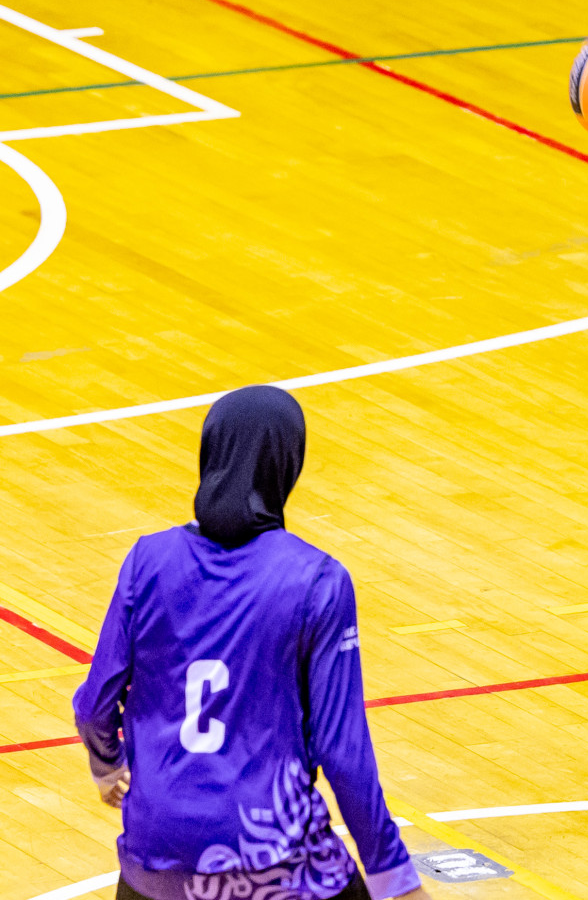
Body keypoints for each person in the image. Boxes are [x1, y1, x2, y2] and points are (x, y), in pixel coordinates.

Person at [73, 386, 429, 900]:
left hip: (156, 866)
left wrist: (107, 765)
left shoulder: (145, 560)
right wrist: (394, 876)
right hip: (274, 867)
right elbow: (341, 749)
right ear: (289, 464)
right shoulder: (317, 579)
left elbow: (95, 705)